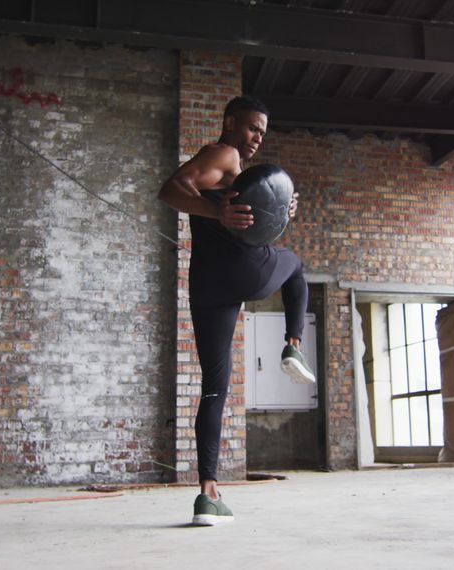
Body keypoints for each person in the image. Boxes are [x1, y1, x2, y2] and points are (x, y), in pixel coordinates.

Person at [158, 96, 316, 526]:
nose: (257, 138)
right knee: (295, 266)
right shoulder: (222, 154)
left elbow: (241, 215)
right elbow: (171, 189)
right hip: (242, 273)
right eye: (252, 128)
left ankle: (207, 495)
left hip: (208, 285)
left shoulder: (233, 171)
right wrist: (216, 211)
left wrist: (280, 213)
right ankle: (293, 346)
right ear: (230, 123)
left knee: (214, 388)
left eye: (262, 132)